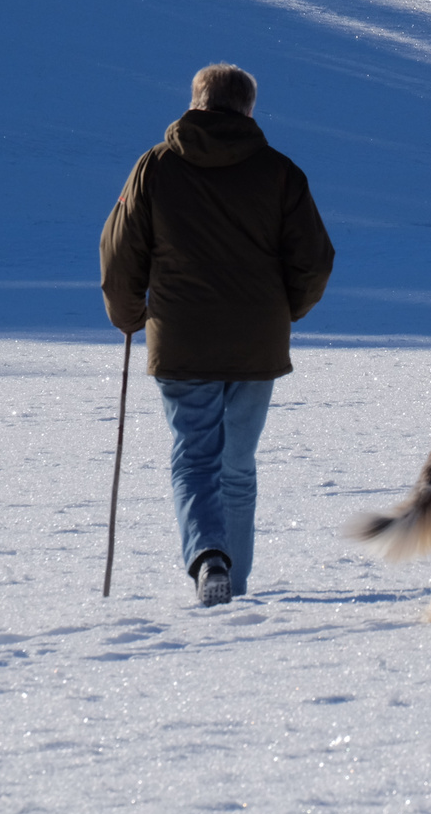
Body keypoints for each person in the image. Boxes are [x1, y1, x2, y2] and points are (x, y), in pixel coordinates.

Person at [100, 64, 334, 606]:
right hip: (257, 344)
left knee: (196, 459)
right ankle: (236, 582)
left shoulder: (155, 168)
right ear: (248, 108)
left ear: (196, 102)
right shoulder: (280, 173)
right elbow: (314, 261)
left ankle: (209, 559)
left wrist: (128, 314)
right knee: (238, 466)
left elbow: (119, 254)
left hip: (181, 341)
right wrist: (283, 313)